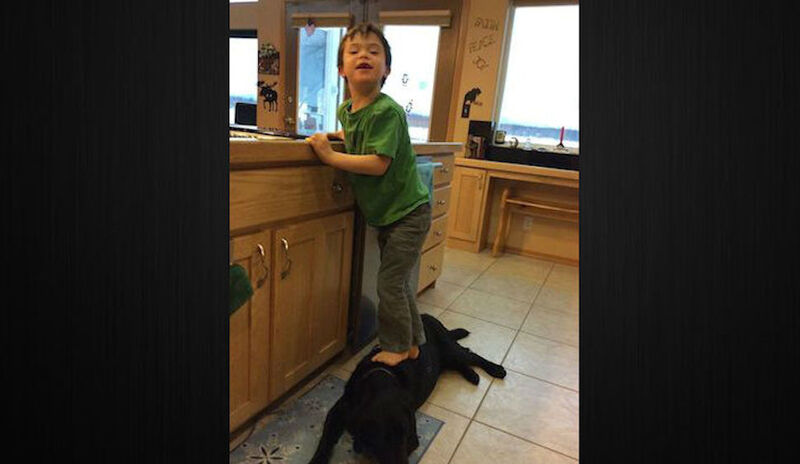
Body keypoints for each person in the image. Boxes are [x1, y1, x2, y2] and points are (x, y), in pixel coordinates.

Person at [306, 23, 431, 367]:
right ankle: (413, 342)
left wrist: (330, 156)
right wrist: (340, 138)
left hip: (408, 213)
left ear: (386, 69)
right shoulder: (347, 110)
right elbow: (355, 133)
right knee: (398, 282)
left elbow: (378, 163)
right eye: (355, 50)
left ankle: (396, 347)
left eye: (374, 51)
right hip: (389, 215)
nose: (364, 55)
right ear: (341, 69)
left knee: (390, 283)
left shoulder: (387, 111)